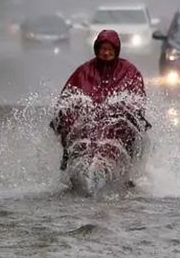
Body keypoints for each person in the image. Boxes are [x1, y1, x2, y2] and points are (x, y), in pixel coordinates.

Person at [51, 29, 148, 170]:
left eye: (109, 49)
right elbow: (68, 97)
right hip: (88, 124)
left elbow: (137, 98)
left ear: (116, 50)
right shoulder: (84, 71)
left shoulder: (129, 71)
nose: (106, 53)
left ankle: (128, 170)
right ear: (97, 49)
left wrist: (122, 111)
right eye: (103, 49)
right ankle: (71, 162)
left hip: (115, 126)